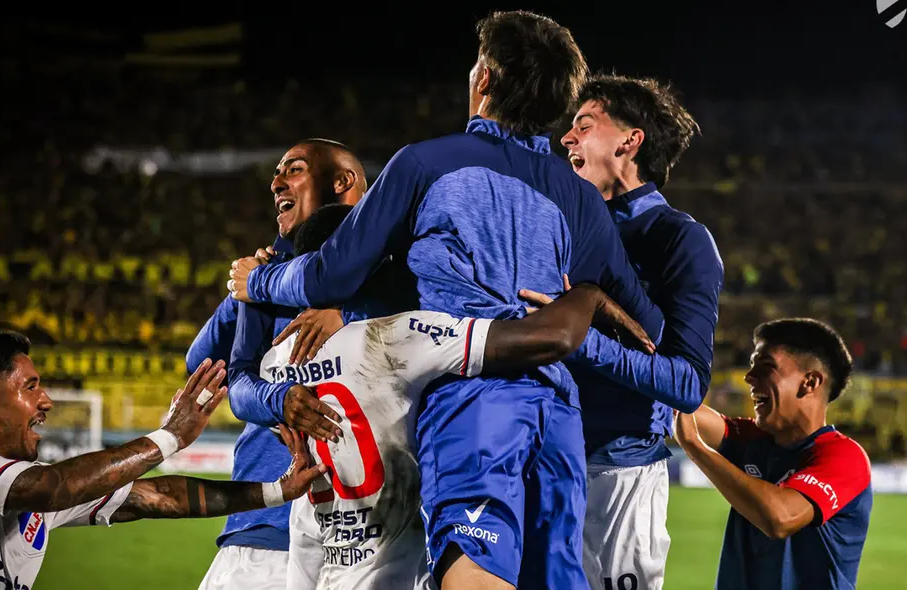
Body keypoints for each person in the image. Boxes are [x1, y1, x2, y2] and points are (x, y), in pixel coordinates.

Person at [228, 11, 664, 590]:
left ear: (484, 77)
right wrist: (589, 301)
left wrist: (255, 283)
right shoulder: (577, 198)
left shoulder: (427, 163)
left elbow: (331, 275)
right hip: (560, 412)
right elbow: (649, 326)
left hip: (475, 394)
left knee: (474, 574)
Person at [271, 204, 654, 589]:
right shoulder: (396, 337)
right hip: (399, 573)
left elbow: (303, 532)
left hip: (329, 562)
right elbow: (537, 339)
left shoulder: (277, 363)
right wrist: (586, 297)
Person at [0, 331, 325, 590]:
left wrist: (276, 490)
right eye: (30, 387)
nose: (46, 401)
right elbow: (52, 488)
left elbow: (154, 496)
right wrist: (169, 437)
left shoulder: (28, 484)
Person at [549, 74, 723, 590]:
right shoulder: (561, 228)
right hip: (539, 460)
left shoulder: (680, 240)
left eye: (584, 124)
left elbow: (687, 385)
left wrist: (580, 339)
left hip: (617, 479)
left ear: (630, 141)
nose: (567, 138)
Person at [190, 139, 368, 590]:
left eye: (294, 170)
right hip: (267, 531)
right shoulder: (273, 274)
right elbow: (204, 365)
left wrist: (350, 314)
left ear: (342, 182)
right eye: (277, 172)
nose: (275, 183)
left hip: (369, 534)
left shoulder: (396, 267)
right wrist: (250, 286)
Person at [674, 318, 872, 590]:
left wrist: (695, 448)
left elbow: (780, 519)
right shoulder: (751, 438)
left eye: (765, 366)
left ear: (810, 382)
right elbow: (678, 408)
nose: (749, 377)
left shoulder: (844, 456)